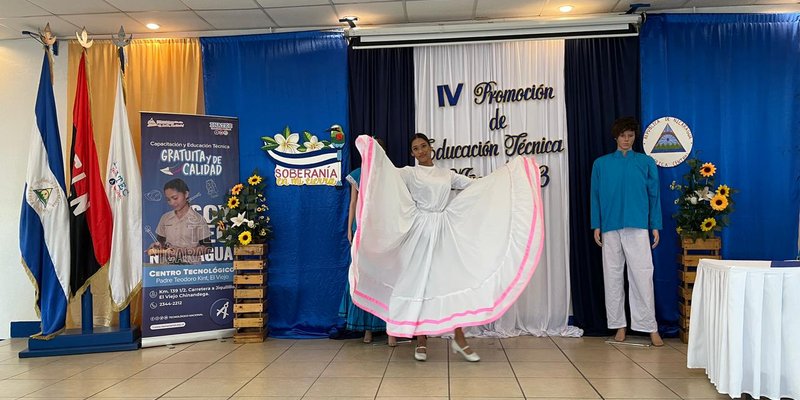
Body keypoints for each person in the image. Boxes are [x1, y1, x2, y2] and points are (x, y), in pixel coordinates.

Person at [348, 133, 545, 362]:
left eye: (423, 146)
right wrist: (373, 150)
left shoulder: (446, 174)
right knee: (419, 286)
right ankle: (421, 341)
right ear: (412, 153)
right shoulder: (409, 173)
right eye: (415, 148)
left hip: (443, 232)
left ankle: (460, 340)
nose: (420, 151)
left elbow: (478, 186)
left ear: (430, 148)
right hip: (419, 232)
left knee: (450, 284)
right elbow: (386, 176)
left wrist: (508, 175)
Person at [590, 117, 664, 347]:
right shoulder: (601, 164)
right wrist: (596, 224)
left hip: (638, 225)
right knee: (612, 276)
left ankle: (650, 327)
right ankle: (619, 326)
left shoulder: (645, 162)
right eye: (622, 135)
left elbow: (654, 196)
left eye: (630, 135)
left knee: (642, 275)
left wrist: (655, 225)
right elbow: (595, 195)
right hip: (610, 226)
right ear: (616, 137)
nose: (626, 139)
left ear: (635, 137)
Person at [338, 139, 397, 346]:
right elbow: (353, 202)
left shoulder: (391, 175)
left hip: (384, 232)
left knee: (387, 278)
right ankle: (367, 328)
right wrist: (349, 228)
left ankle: (391, 330)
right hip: (362, 230)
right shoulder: (357, 174)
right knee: (364, 277)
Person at [148, 178, 212, 264]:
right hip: (167, 269)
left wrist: (184, 251)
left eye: (175, 198)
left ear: (186, 194)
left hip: (190, 270)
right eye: (168, 199)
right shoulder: (165, 218)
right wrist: (156, 247)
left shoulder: (198, 219)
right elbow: (160, 242)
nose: (172, 202)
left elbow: (207, 248)